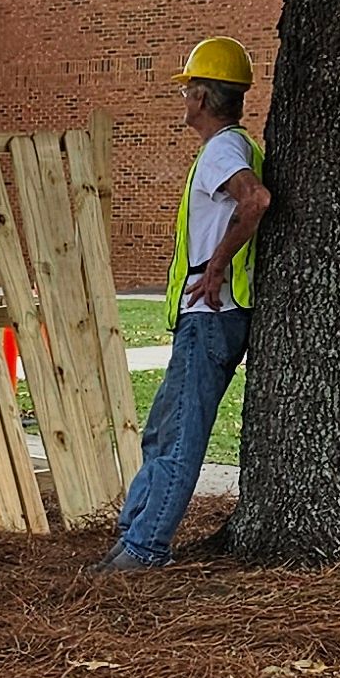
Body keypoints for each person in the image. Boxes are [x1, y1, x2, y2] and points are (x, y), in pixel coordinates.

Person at [106, 35, 273, 569]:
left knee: (179, 435)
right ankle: (131, 533)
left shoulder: (223, 148)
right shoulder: (231, 147)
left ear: (201, 97)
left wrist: (217, 265)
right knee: (162, 429)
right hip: (211, 316)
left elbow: (256, 201)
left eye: (187, 91)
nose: (183, 101)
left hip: (211, 315)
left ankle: (144, 547)